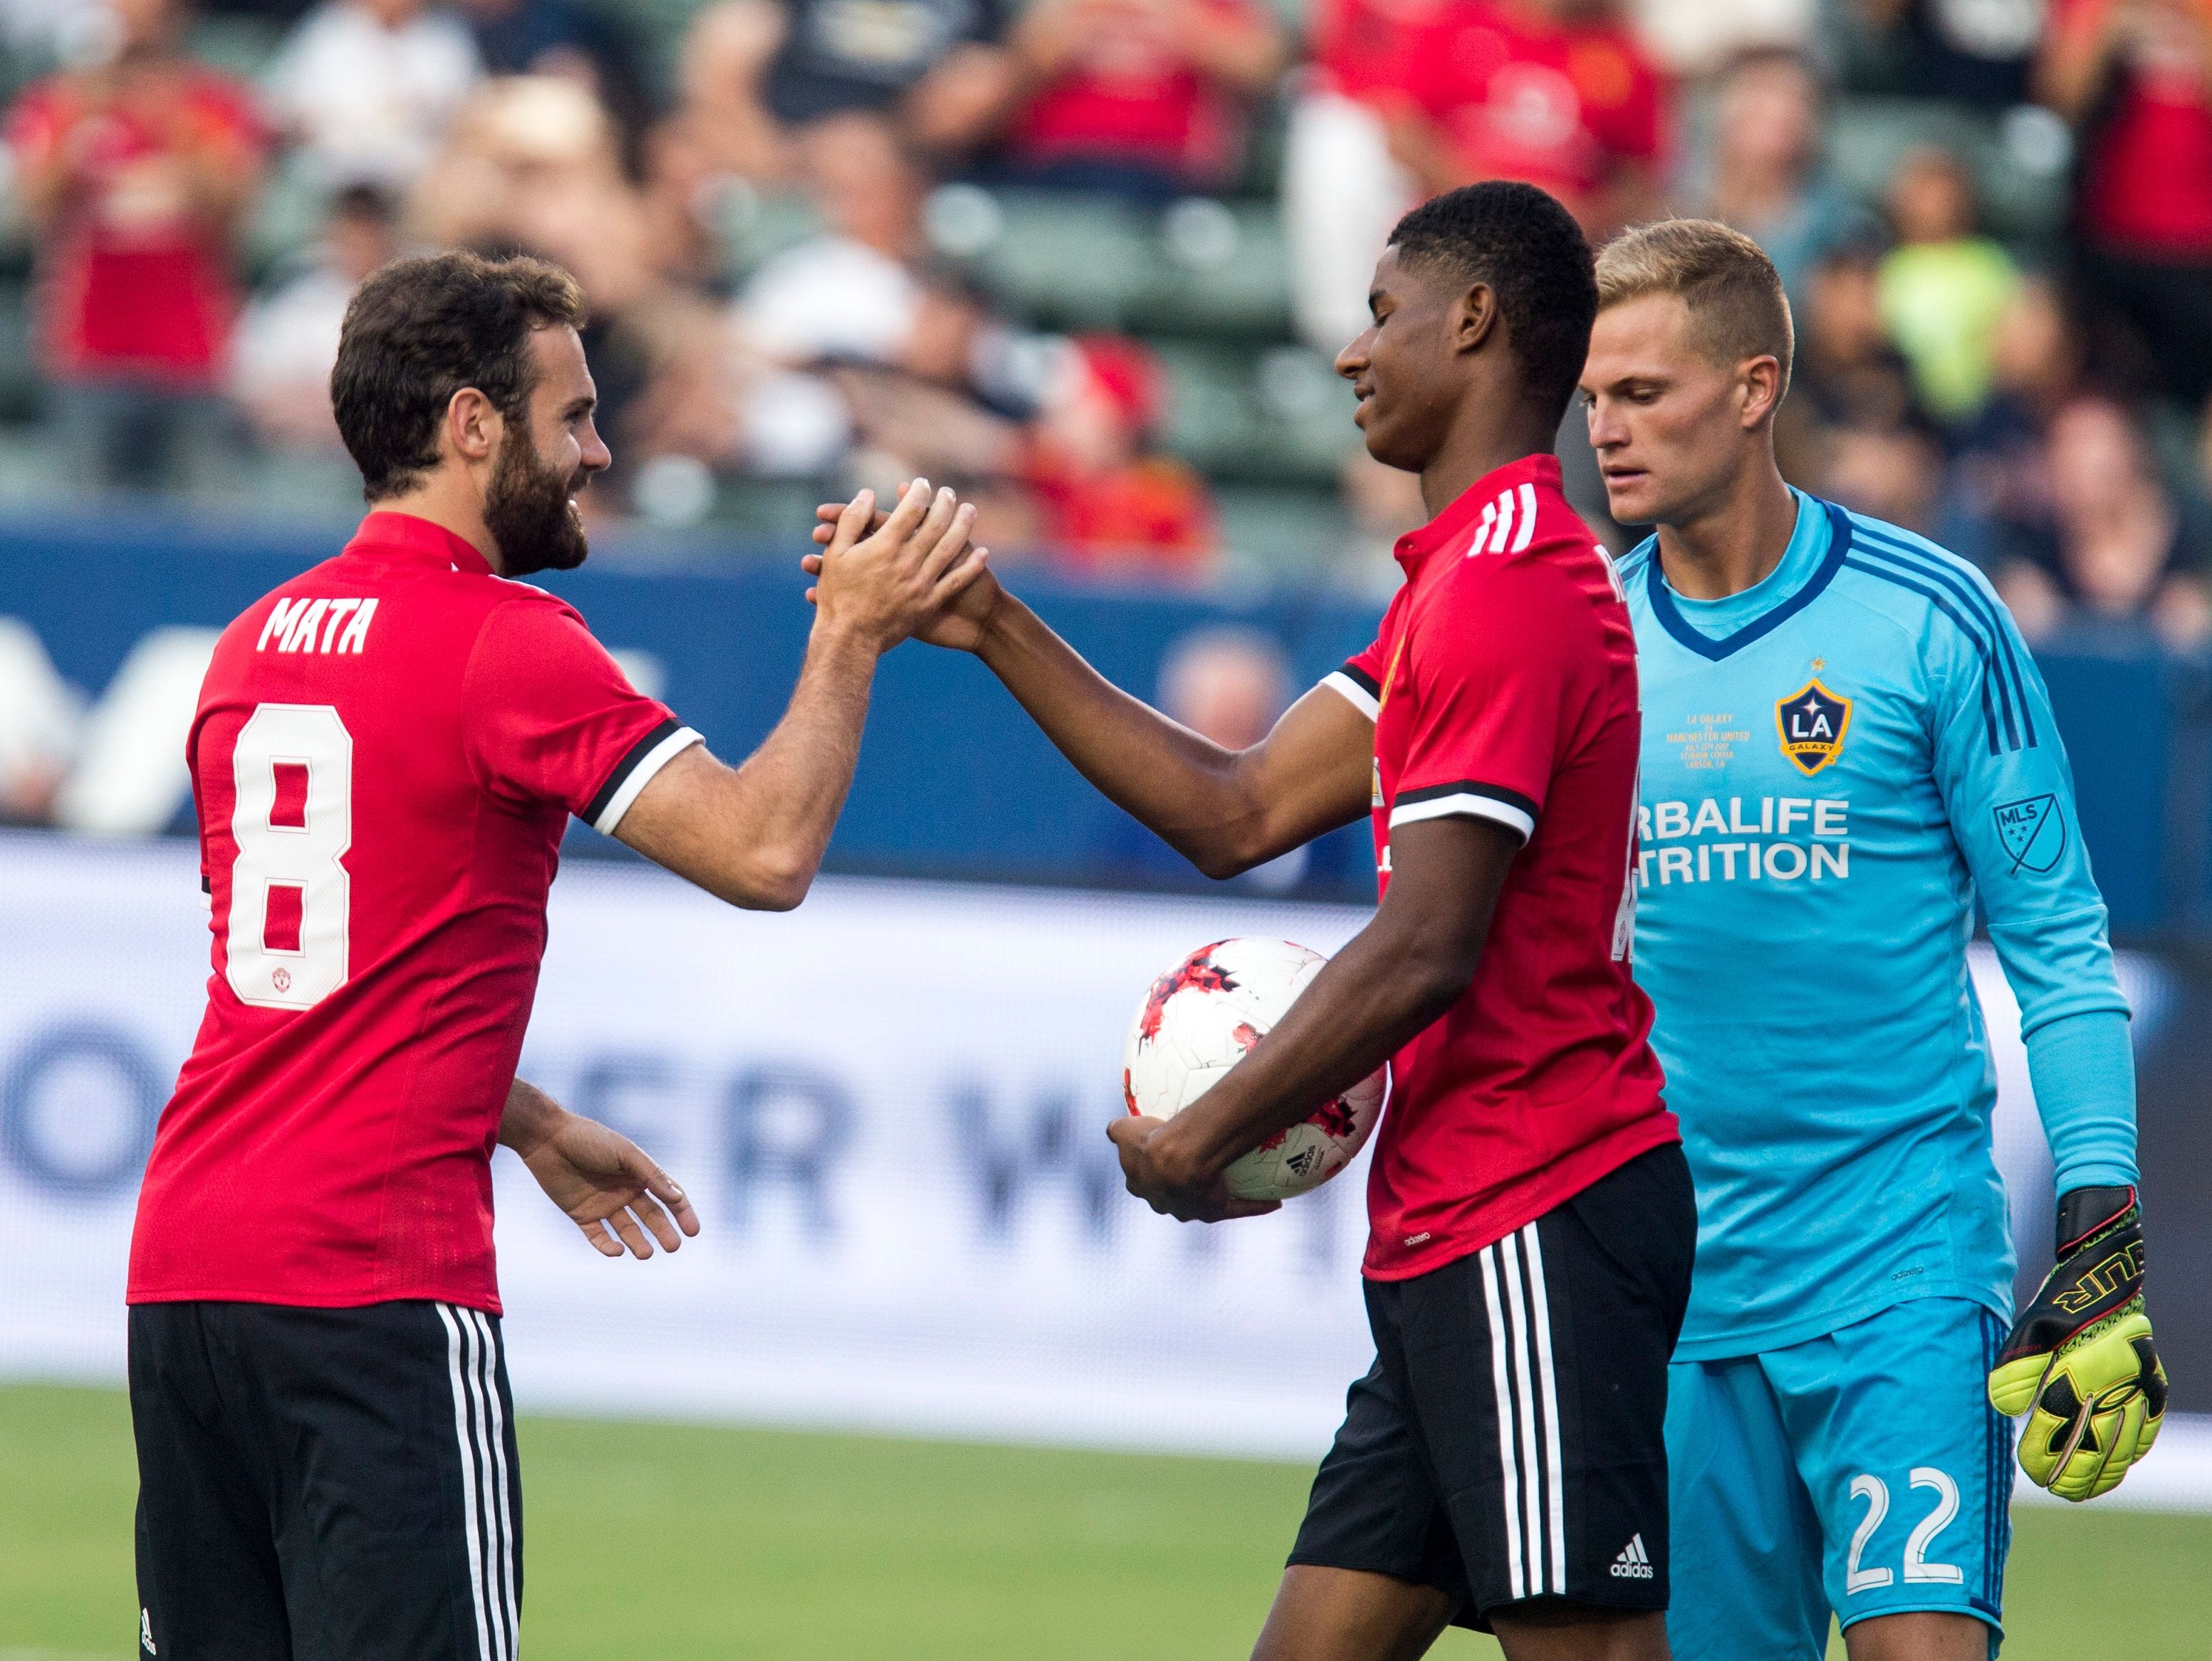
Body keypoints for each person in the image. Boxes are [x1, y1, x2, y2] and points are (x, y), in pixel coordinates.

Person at [816, 179, 1691, 1660]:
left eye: (1378, 314)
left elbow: (1430, 944)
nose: (1354, 355)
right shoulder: (1453, 586)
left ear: (1471, 320)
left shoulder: (1506, 590)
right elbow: (1232, 811)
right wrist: (989, 622)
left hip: (1539, 1202)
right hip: (1454, 1218)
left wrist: (1197, 1125)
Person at [125, 249, 986, 1660]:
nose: (599, 450)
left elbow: (305, 969)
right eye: (574, 414)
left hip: (186, 1279)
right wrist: (851, 630)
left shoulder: (249, 646)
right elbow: (762, 854)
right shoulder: (509, 642)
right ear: (471, 424)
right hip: (372, 1285)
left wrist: (516, 1116)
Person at [1579, 218, 2168, 1661]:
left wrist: (2098, 1203)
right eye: (1592, 395)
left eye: (1643, 392)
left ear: (1752, 386)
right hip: (1670, 1286)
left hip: (1899, 1264)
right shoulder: (1583, 637)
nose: (1606, 428)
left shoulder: (1930, 616)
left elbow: (2056, 939)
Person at [4, 0, 266, 492]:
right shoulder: (63, 102)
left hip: (191, 355)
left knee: (203, 533)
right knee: (81, 536)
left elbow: (236, 204)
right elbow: (32, 205)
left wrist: (173, 124)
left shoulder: (213, 104)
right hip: (89, 354)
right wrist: (82, 116)